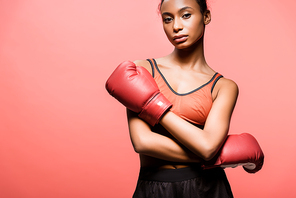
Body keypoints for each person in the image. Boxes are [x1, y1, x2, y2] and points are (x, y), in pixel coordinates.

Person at [105, 0, 264, 197]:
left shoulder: (224, 87)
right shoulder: (142, 71)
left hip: (208, 189)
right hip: (154, 188)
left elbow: (207, 147)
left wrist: (152, 105)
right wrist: (212, 158)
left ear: (206, 17)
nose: (176, 26)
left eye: (186, 15)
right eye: (168, 19)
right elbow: (142, 142)